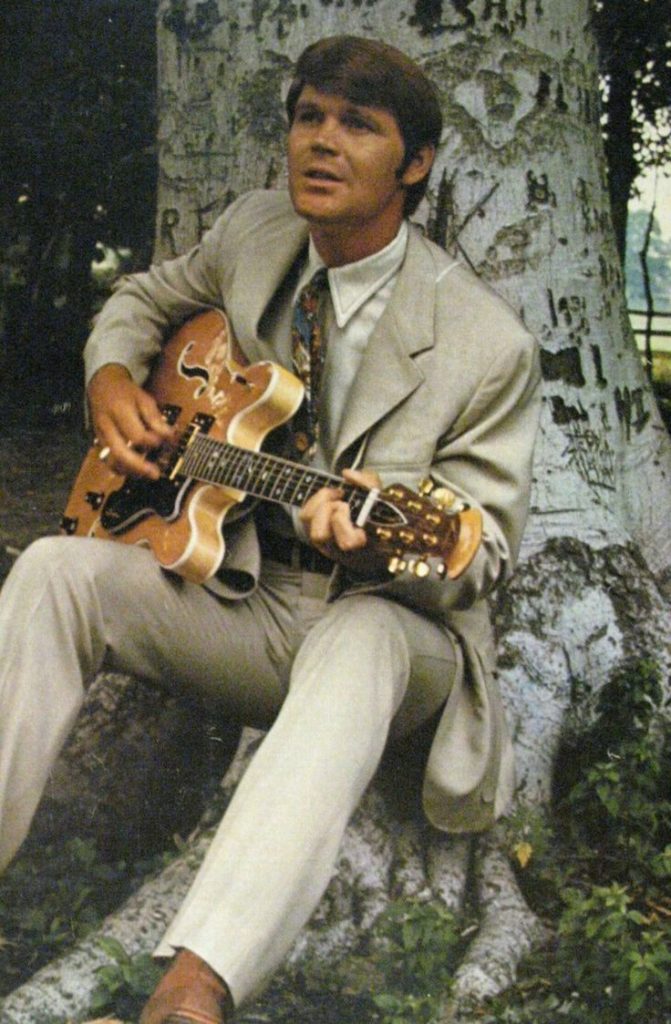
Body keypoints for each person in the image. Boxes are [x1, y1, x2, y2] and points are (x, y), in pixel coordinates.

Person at [0, 35, 541, 1024]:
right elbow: (141, 299)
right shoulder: (255, 232)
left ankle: (193, 987)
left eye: (357, 126)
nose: (320, 144)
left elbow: (481, 552)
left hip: (389, 624)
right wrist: (113, 380)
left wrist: (379, 540)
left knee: (356, 638)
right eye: (308, 117)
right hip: (239, 591)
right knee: (50, 571)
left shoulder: (485, 344)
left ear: (412, 165)